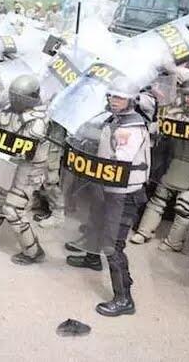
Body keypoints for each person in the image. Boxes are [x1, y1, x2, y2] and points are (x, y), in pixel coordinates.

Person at [65, 77, 151, 317]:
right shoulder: (114, 120)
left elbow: (120, 159)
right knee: (94, 225)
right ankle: (92, 259)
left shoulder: (130, 128)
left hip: (123, 194)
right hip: (107, 187)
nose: (114, 101)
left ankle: (124, 299)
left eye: (120, 97)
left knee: (112, 245)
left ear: (131, 100)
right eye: (112, 96)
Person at [0, 74, 50, 265]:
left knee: (13, 210)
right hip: (5, 160)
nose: (13, 100)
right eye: (12, 96)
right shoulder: (8, 108)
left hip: (28, 169)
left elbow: (25, 144)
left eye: (17, 97)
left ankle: (33, 252)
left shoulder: (39, 119)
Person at [130, 78, 189, 250]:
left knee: (185, 205)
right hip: (174, 161)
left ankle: (174, 242)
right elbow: (156, 130)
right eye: (187, 95)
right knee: (158, 199)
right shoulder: (173, 112)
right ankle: (144, 232)